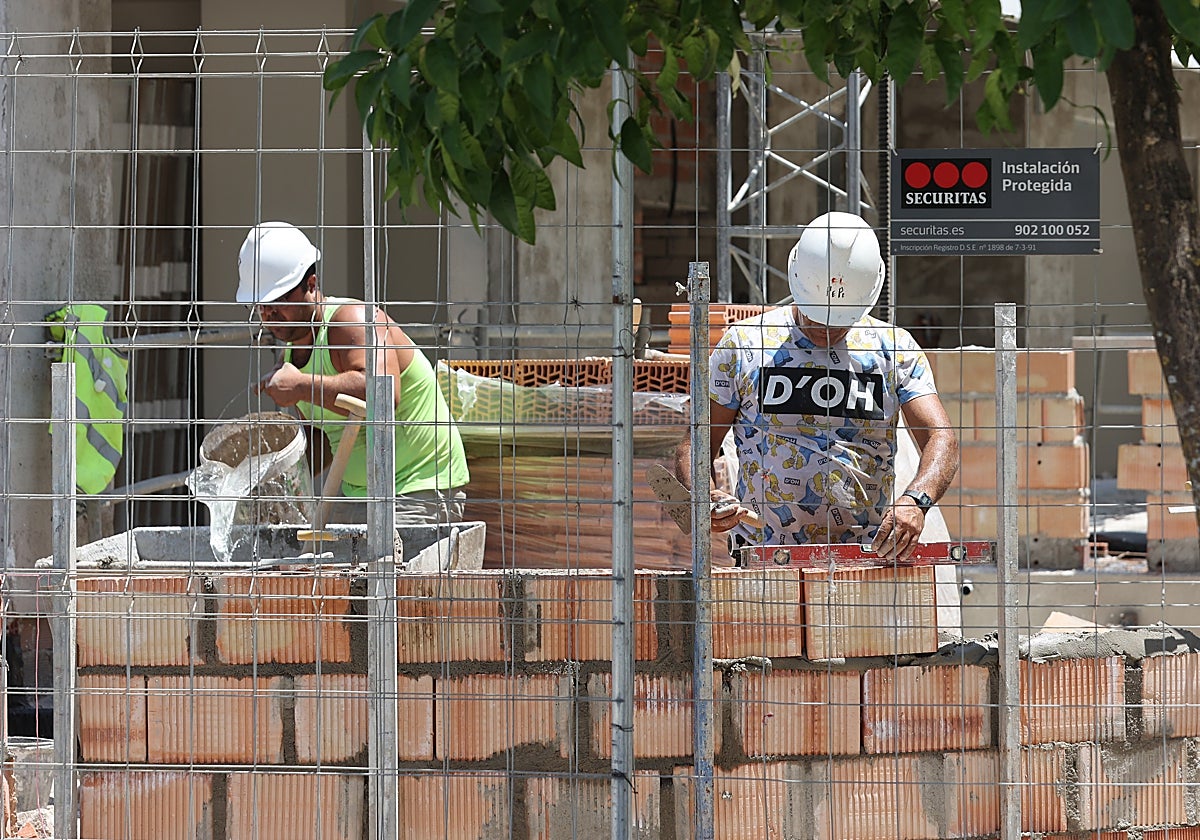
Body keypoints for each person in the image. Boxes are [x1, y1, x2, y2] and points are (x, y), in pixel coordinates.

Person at [674, 211, 959, 562]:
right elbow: (697, 443)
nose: (826, 331)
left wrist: (917, 501)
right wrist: (706, 498)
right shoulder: (746, 345)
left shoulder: (893, 348)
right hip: (766, 562)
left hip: (867, 560)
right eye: (816, 316)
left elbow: (940, 436)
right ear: (796, 282)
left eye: (840, 322)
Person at [237, 221, 469, 525]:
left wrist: (303, 386)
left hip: (420, 488)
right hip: (359, 492)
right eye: (261, 306)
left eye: (278, 301)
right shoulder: (293, 355)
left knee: (374, 569)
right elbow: (323, 438)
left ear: (311, 285)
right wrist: (274, 482)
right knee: (316, 563)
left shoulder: (354, 321)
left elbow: (384, 396)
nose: (269, 315)